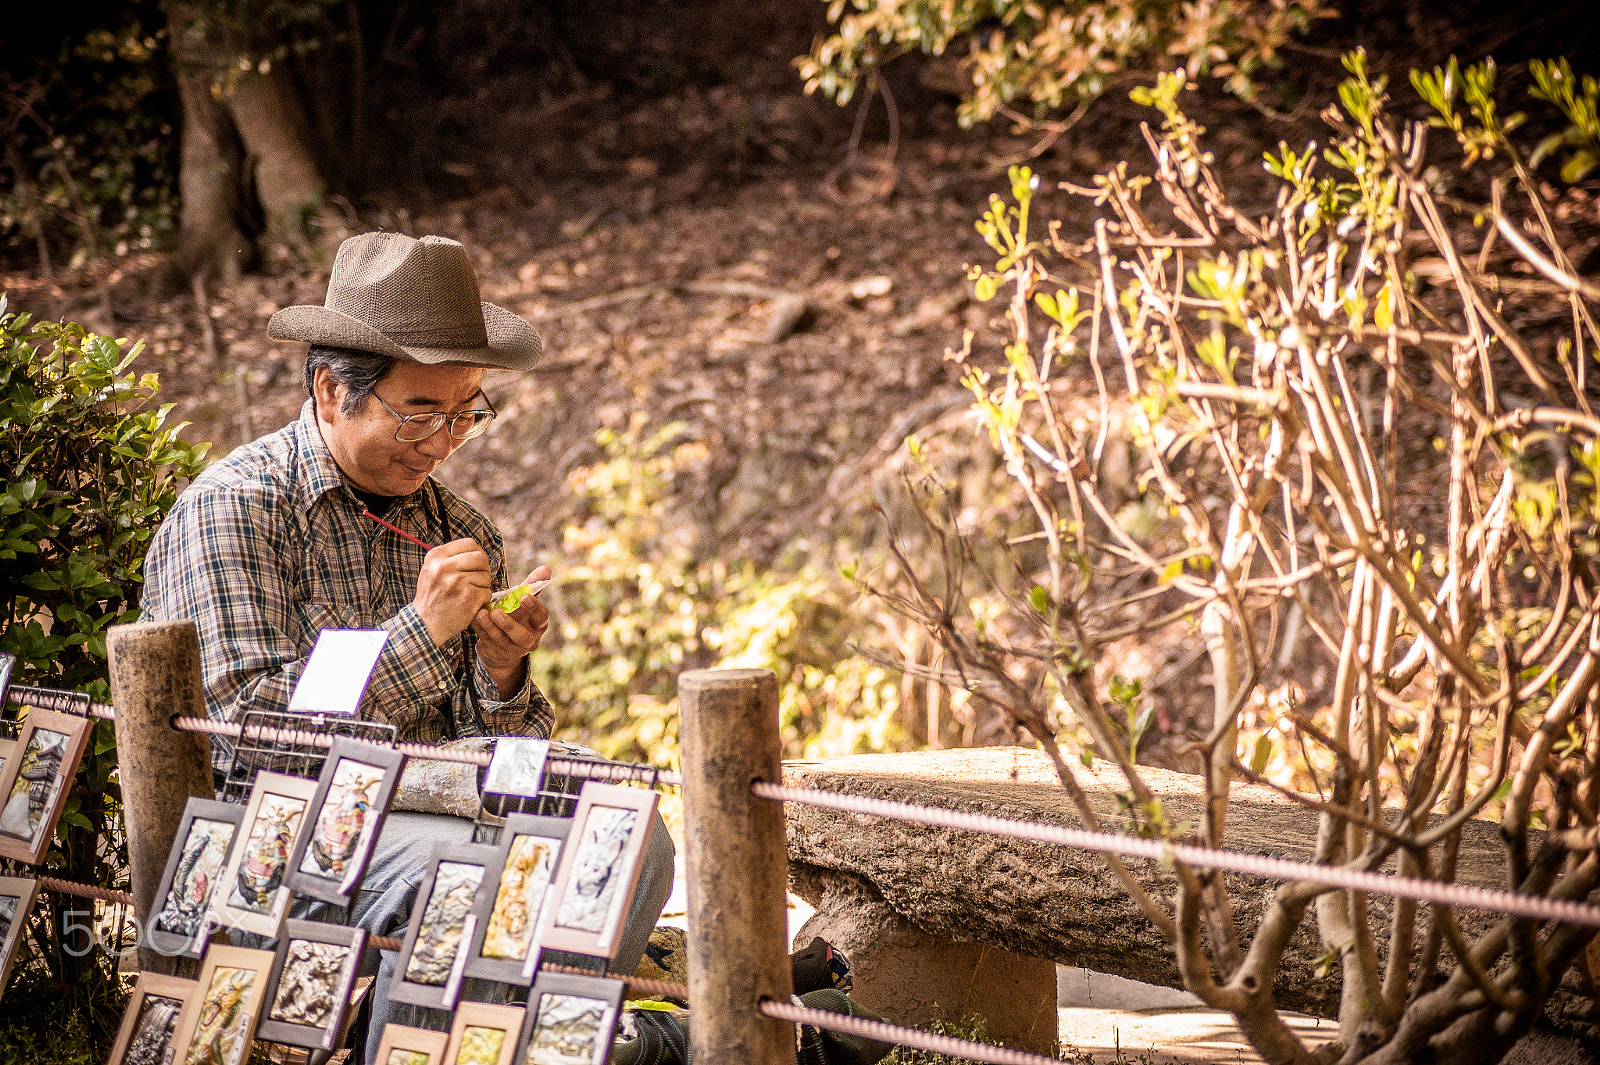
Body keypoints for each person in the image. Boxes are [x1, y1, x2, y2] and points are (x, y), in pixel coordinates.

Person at [141, 232, 675, 1062]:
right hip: (278, 837)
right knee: (473, 876)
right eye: (418, 411)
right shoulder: (235, 510)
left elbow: (499, 750)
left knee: (632, 834)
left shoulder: (460, 530)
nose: (442, 441)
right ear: (329, 390)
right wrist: (418, 635)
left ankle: (502, 1047)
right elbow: (249, 736)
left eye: (466, 413)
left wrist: (501, 670)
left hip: (431, 809)